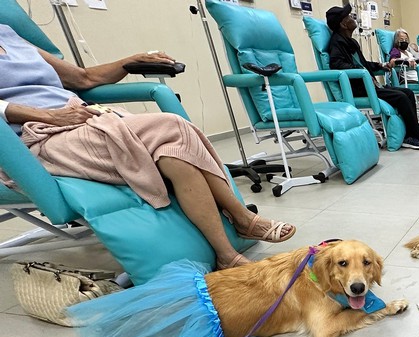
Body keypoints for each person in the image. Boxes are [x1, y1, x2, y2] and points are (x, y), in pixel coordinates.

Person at [0, 24, 295, 270]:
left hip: (82, 119)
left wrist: (130, 61)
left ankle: (226, 254)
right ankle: (242, 219)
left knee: (173, 152)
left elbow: (83, 78)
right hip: (32, 138)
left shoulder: (9, 34)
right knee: (171, 127)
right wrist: (49, 116)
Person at [326, 5, 419, 150]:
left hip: (369, 85)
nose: (352, 18)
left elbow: (364, 64)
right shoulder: (337, 42)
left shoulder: (350, 42)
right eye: (348, 16)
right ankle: (414, 136)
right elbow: (337, 64)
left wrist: (380, 65)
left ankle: (413, 135)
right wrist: (362, 71)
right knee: (401, 97)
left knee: (408, 93)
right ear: (343, 24)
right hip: (359, 88)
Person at [388, 29, 419, 94]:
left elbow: (418, 70)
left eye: (406, 39)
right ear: (397, 41)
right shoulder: (396, 51)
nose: (404, 41)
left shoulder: (408, 53)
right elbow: (392, 62)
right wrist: (405, 61)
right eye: (401, 39)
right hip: (412, 81)